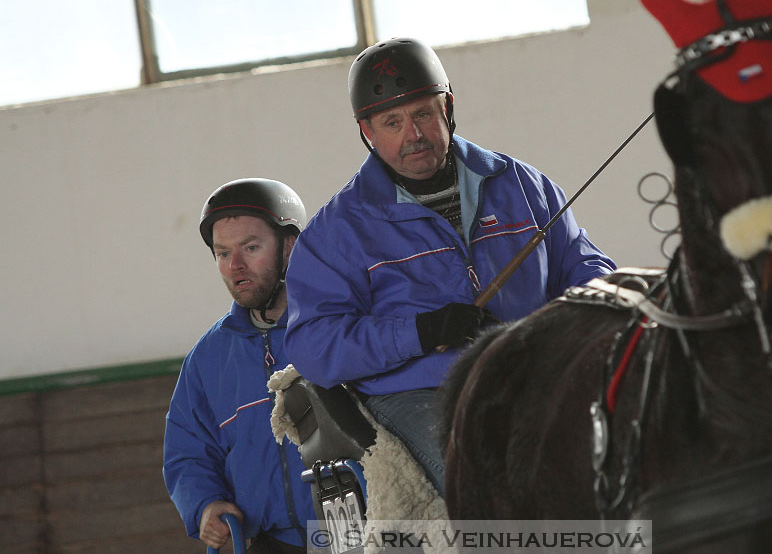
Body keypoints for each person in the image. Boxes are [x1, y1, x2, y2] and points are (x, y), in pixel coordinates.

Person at [284, 37, 616, 495]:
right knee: (491, 485)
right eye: (392, 122)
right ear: (367, 131)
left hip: (535, 372)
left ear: (448, 107)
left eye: (422, 113)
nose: (413, 135)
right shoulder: (337, 231)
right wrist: (420, 332)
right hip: (421, 394)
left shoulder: (521, 184)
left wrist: (572, 320)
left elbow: (584, 267)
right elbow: (314, 346)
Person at [163, 178, 314, 553]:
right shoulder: (206, 359)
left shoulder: (337, 325)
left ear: (290, 245)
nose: (236, 266)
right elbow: (188, 453)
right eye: (223, 253)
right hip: (271, 543)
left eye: (250, 247)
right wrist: (205, 505)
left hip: (366, 533)